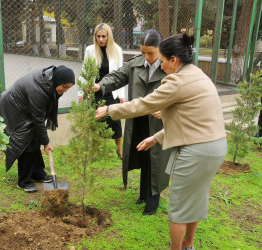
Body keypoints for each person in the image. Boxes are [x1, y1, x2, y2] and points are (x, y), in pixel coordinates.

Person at [96, 33, 227, 250]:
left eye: (163, 61)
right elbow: (192, 122)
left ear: (174, 60)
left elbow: (143, 105)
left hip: (195, 151)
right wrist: (156, 138)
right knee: (196, 198)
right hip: (216, 146)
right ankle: (188, 245)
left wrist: (109, 109)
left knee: (178, 207)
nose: (161, 66)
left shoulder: (176, 80)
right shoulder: (199, 74)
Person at [93, 29, 172, 216]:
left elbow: (179, 93)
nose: (146, 56)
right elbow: (118, 76)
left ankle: (153, 201)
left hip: (158, 123)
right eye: (143, 51)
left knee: (156, 160)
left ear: (160, 49)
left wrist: (166, 110)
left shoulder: (170, 67)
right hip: (138, 120)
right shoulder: (136, 63)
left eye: (150, 52)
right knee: (143, 155)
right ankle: (143, 194)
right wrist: (100, 85)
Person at [0, 65, 75, 193]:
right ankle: (24, 181)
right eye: (64, 87)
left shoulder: (50, 82)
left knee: (35, 137)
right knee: (27, 141)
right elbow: (38, 119)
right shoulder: (39, 90)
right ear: (58, 80)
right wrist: (46, 142)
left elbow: (40, 117)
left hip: (24, 106)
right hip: (13, 107)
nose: (65, 90)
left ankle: (37, 173)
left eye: (68, 88)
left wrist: (43, 139)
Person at [78, 23, 126, 158]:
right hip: (95, 91)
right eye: (98, 36)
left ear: (109, 36)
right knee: (95, 120)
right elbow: (85, 70)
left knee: (114, 120)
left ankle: (119, 149)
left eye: (103, 36)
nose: (100, 39)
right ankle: (95, 150)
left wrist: (122, 94)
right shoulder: (90, 50)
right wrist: (81, 91)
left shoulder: (117, 50)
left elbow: (121, 74)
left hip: (111, 91)